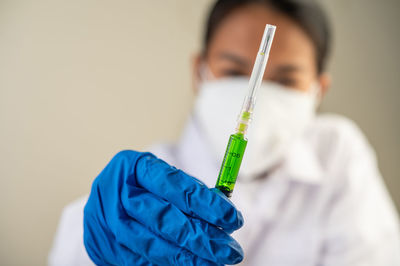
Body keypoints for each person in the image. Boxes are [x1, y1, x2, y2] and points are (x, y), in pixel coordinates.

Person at [49, 0, 400, 265]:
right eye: (233, 72)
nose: (257, 95)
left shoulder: (336, 154)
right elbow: (77, 246)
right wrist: (93, 241)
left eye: (286, 80)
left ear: (318, 89)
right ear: (199, 72)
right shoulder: (144, 190)